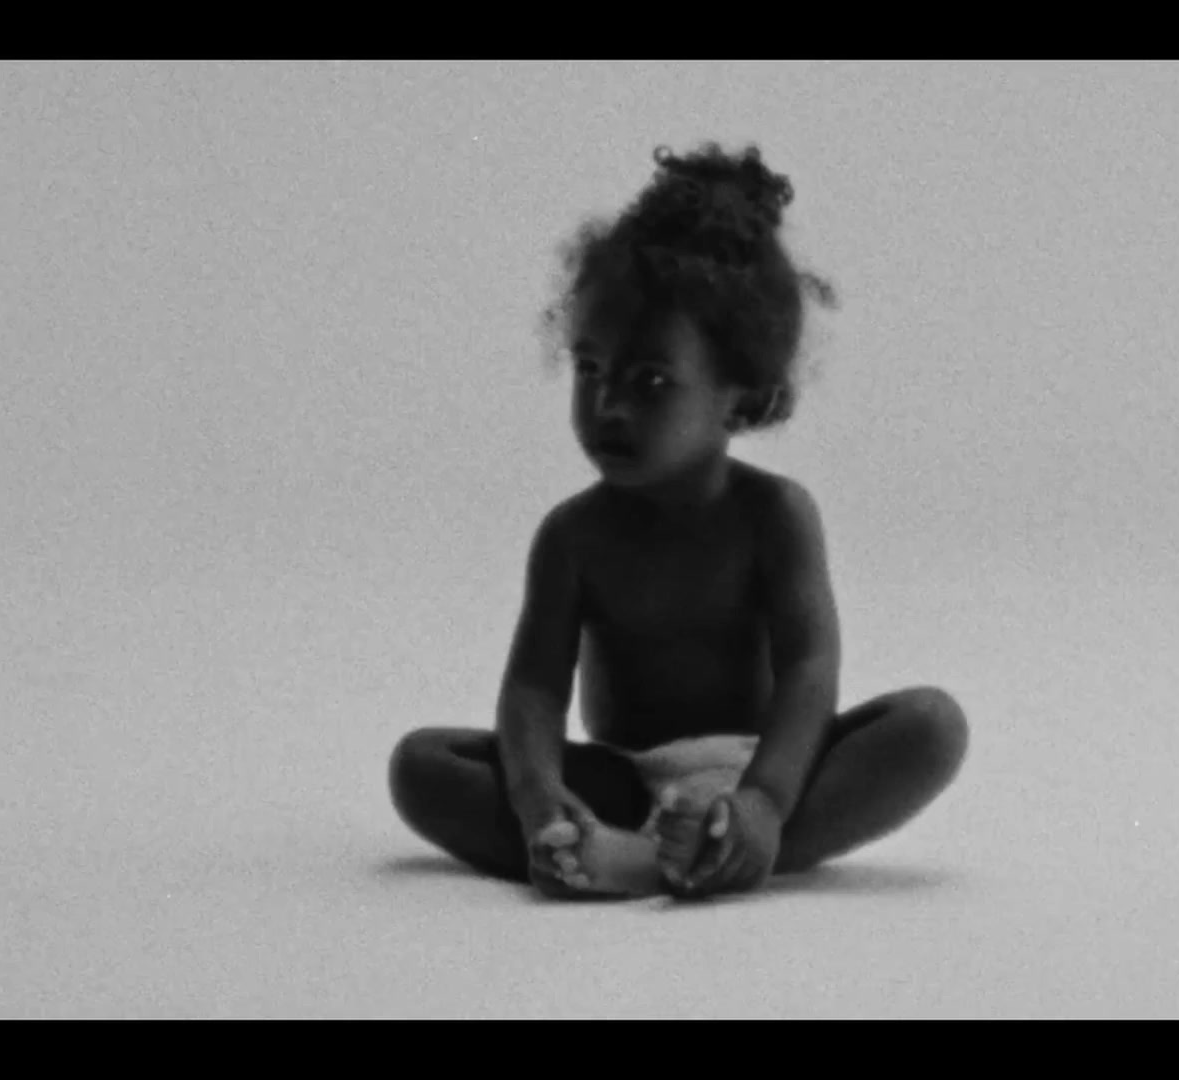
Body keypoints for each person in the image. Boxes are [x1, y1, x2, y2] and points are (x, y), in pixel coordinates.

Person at [389, 142, 968, 900]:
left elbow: (808, 671)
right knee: (421, 767)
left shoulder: (777, 515)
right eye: (590, 369)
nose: (608, 406)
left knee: (930, 726)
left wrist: (763, 800)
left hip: (764, 766)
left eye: (651, 380)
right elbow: (534, 688)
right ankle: (616, 844)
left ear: (744, 396)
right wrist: (538, 798)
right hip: (621, 779)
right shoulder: (571, 537)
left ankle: (689, 853)